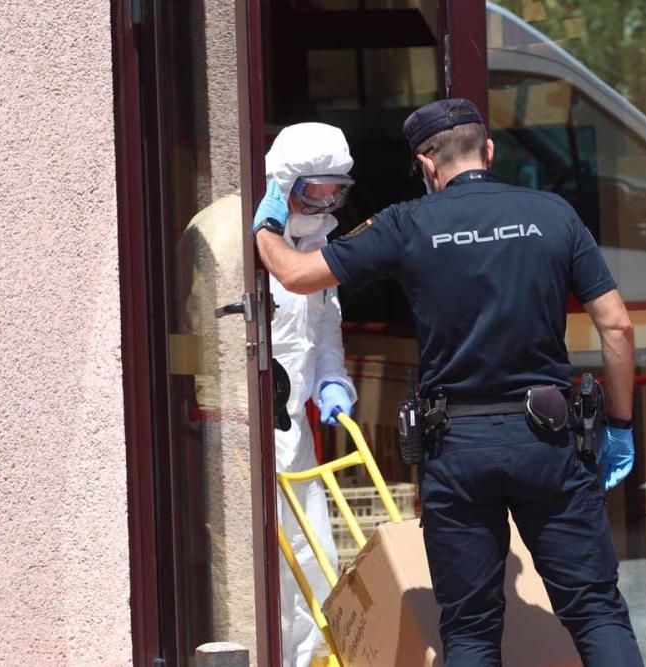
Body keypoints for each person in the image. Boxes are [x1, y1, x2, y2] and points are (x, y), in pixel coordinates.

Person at [253, 101, 643, 665]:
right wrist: (622, 425)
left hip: (458, 448)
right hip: (550, 442)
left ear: (426, 165)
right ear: (488, 150)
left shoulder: (407, 222)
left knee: (471, 631)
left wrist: (267, 223)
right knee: (595, 609)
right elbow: (617, 325)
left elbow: (292, 272)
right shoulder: (554, 214)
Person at [254, 122, 359, 667]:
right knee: (261, 574)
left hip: (292, 437)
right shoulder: (238, 242)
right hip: (244, 440)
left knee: (314, 564)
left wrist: (333, 380)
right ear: (282, 183)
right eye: (312, 190)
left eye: (334, 191)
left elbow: (324, 332)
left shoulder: (318, 249)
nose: (323, 202)